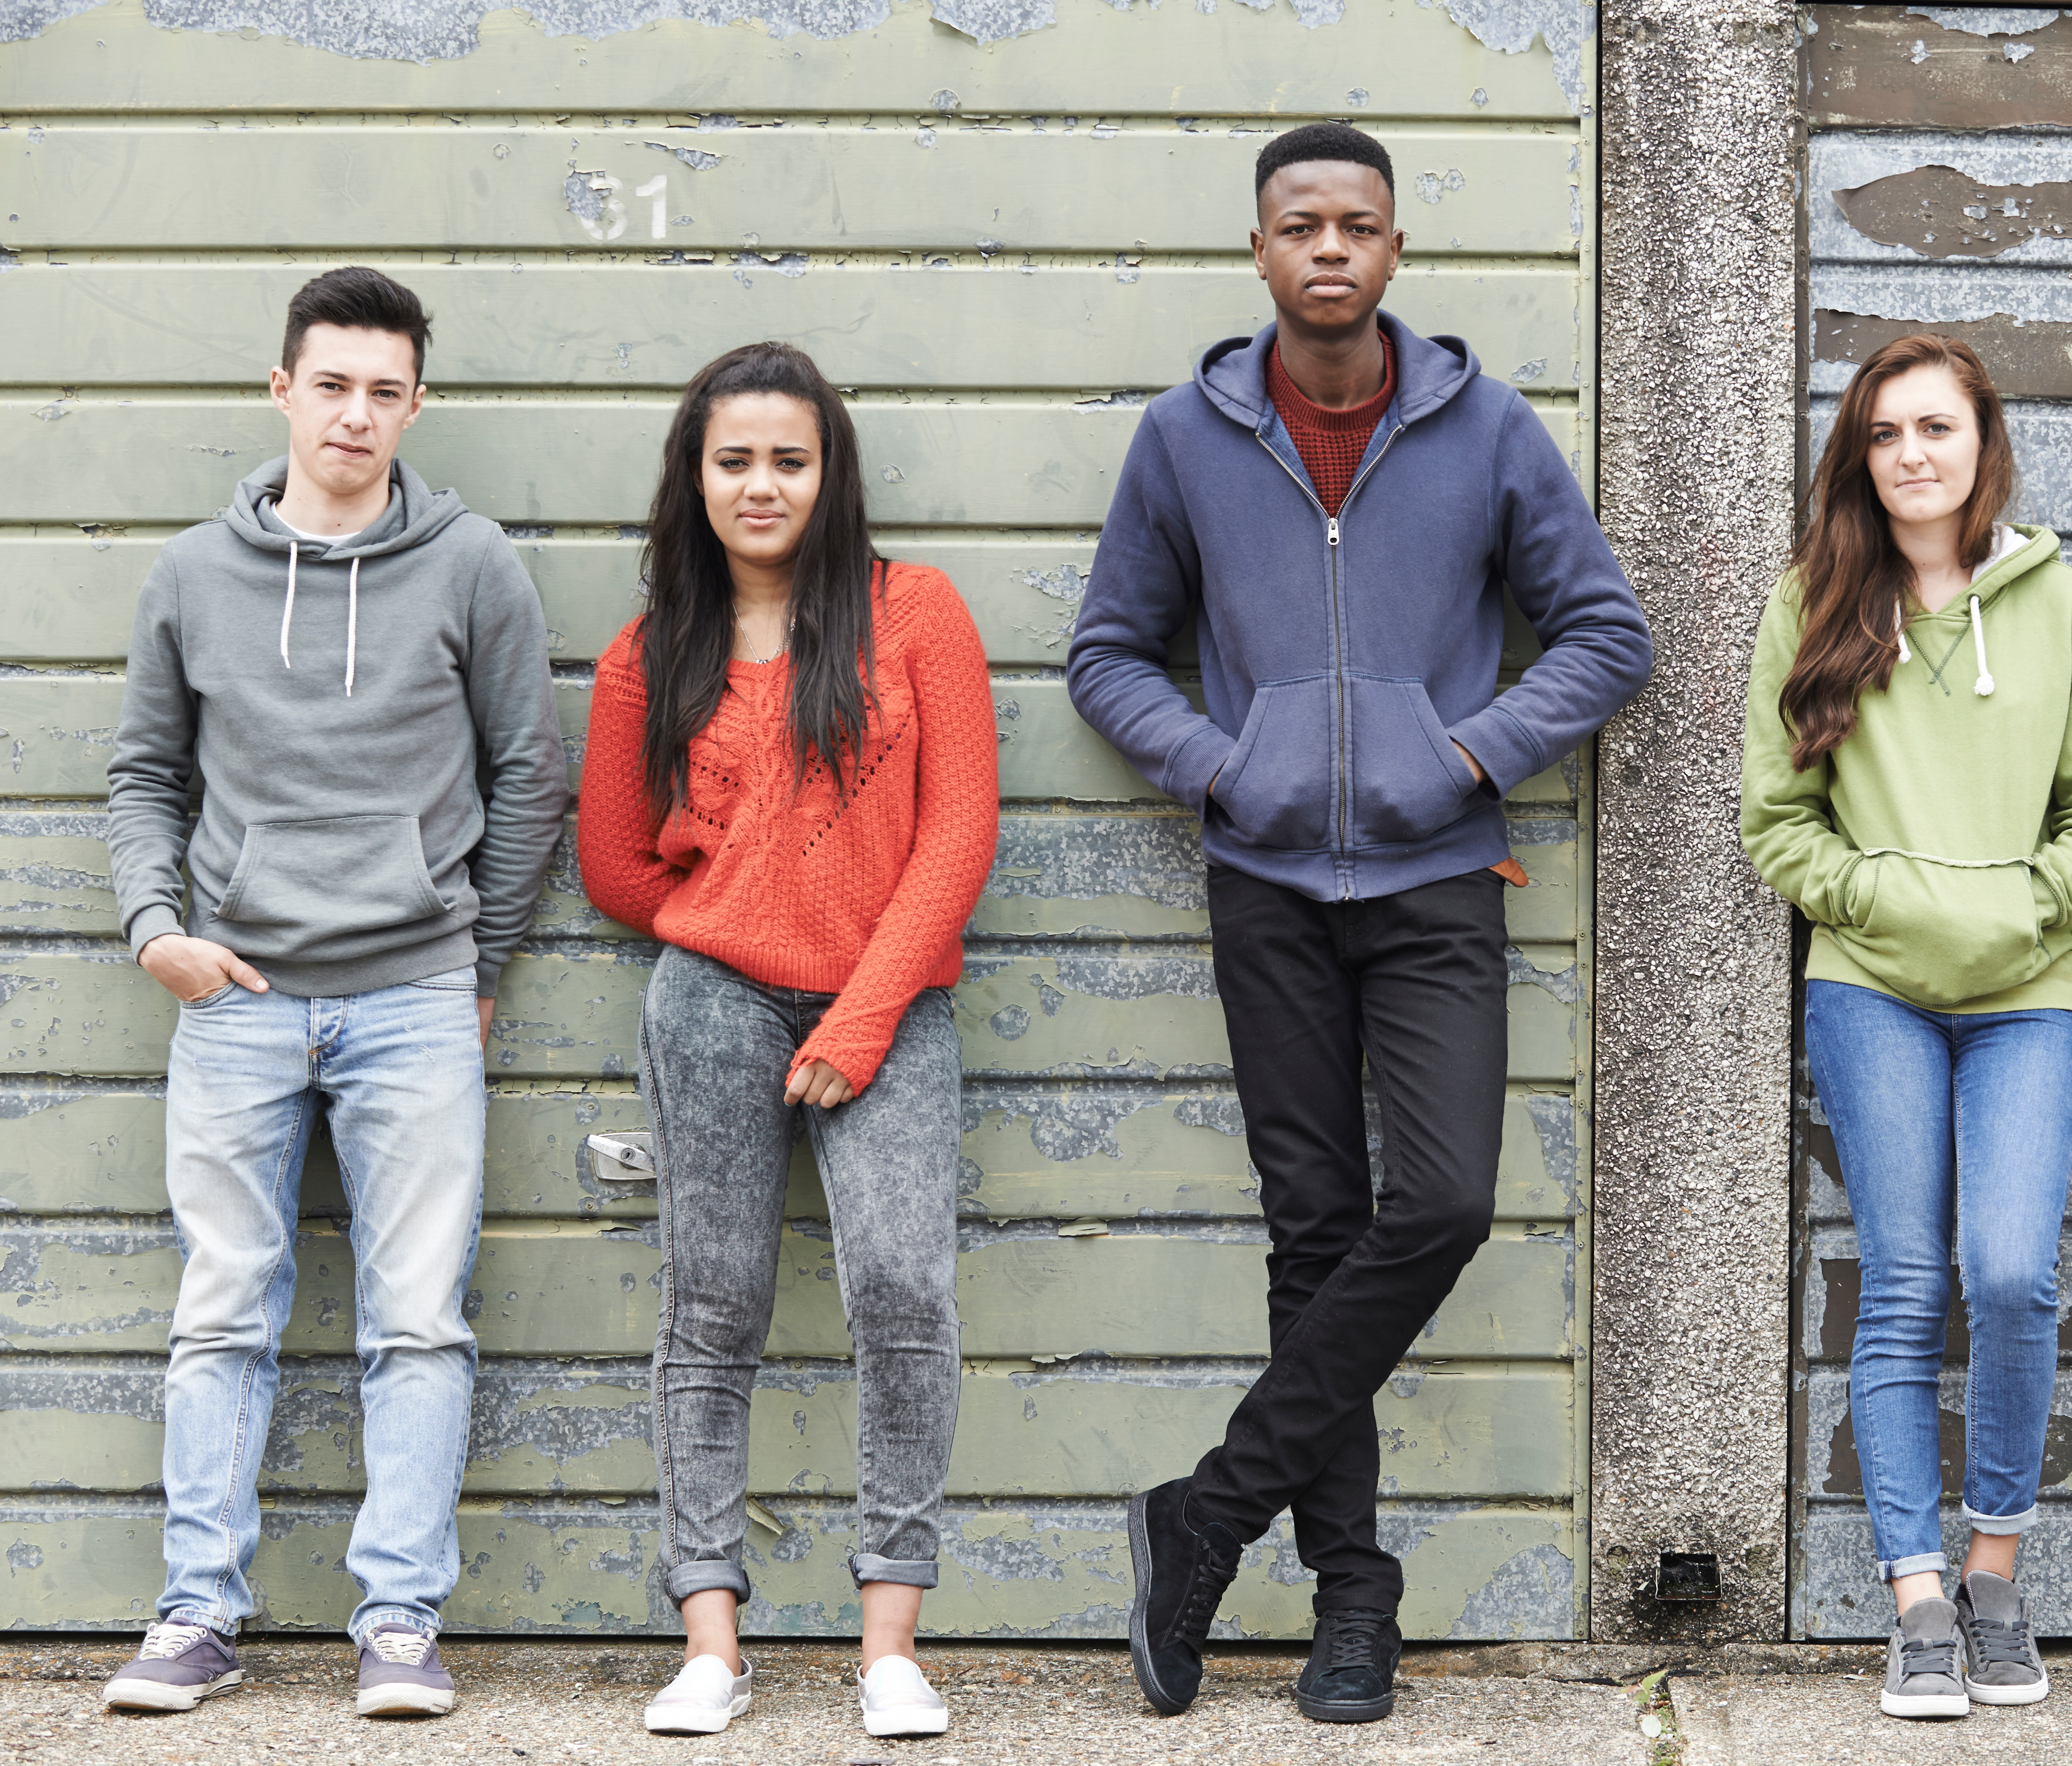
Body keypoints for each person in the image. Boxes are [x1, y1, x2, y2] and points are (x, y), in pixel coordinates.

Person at [1066, 121, 1650, 1725]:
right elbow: (1111, 653)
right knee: (1314, 1234)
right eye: (1299, 224)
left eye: (1358, 224)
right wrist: (1222, 763)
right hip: (1264, 887)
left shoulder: (1485, 431)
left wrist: (1463, 751)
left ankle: (1209, 1509)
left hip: (1436, 881)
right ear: (1259, 251)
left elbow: (1605, 633)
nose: (1329, 247)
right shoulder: (1188, 439)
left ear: (1396, 250)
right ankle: (1352, 1599)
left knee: (1444, 1201)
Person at [99, 267, 567, 1718]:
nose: (355, 412)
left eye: (385, 389)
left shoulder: (472, 562)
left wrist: (473, 967)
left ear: (415, 403)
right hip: (234, 991)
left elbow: (531, 774)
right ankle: (194, 1614)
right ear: (282, 388)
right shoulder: (190, 575)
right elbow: (143, 777)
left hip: (415, 994)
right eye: (332, 383)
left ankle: (400, 1625)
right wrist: (154, 927)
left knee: (417, 1317)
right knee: (223, 1309)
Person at [578, 342, 998, 1741]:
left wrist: (865, 1006)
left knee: (901, 1291)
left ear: (832, 473)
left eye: (790, 460)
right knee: (711, 1304)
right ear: (694, 477)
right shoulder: (652, 652)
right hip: (711, 1006)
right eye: (734, 460)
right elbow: (613, 867)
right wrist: (727, 930)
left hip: (892, 1006)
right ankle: (711, 1637)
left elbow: (956, 833)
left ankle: (889, 1646)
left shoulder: (914, 612)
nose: (762, 485)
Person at [1740, 334, 2072, 1721]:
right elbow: (1773, 823)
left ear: (1983, 444)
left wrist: (2021, 905)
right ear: (1859, 456)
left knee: (2013, 1273)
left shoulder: (2055, 602)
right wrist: (1881, 899)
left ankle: (1992, 1570)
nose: (1912, 453)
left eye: (1937, 428)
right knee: (1905, 1281)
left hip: (2032, 986)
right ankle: (1913, 1595)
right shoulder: (1811, 602)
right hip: (1870, 988)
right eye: (1885, 433)